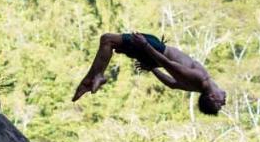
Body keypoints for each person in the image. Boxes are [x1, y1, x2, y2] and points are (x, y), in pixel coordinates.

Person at [72, 31, 226, 115]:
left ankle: (97, 76)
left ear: (212, 97)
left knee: (107, 40)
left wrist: (146, 46)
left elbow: (169, 64)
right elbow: (172, 84)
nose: (224, 102)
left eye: (220, 104)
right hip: (154, 52)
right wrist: (152, 68)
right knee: (111, 43)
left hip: (155, 50)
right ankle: (92, 79)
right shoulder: (199, 87)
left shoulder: (200, 79)